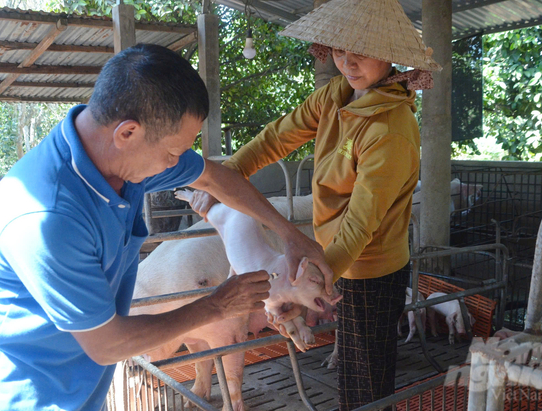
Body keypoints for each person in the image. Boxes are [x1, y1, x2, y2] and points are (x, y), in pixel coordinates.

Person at [0, 43, 332, 411]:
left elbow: (215, 178)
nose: (176, 164)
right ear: (127, 133)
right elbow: (108, 345)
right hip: (21, 398)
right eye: (172, 153)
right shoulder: (48, 218)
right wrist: (217, 305)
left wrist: (291, 235)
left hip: (79, 390)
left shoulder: (117, 161)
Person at [187, 0, 441, 409]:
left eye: (362, 51)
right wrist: (225, 177)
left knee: (367, 377)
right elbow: (275, 139)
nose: (348, 62)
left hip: (371, 267)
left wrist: (312, 282)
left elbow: (362, 224)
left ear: (393, 57)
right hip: (331, 258)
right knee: (352, 368)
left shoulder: (391, 130)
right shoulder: (334, 96)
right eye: (340, 50)